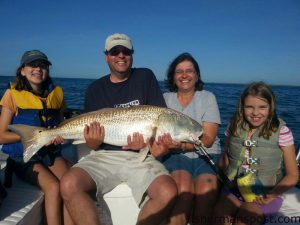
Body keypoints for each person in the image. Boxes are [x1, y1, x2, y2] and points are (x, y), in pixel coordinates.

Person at [60, 33, 178, 225]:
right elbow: (92, 143)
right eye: (115, 52)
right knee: (68, 183)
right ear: (106, 56)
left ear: (132, 54)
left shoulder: (145, 76)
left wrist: (152, 144)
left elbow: (159, 119)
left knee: (168, 191)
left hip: (140, 157)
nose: (121, 56)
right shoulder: (95, 89)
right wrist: (92, 142)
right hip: (104, 155)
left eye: (126, 51)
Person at [0, 50, 72, 225]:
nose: (38, 69)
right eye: (33, 65)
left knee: (71, 185)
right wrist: (33, 138)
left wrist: (57, 136)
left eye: (43, 65)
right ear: (23, 70)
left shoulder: (57, 94)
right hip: (24, 157)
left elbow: (61, 126)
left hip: (49, 152)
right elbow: (1, 136)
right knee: (53, 188)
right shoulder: (12, 94)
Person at [212, 82, 299, 225]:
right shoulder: (233, 125)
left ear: (271, 108)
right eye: (249, 107)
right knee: (219, 216)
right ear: (242, 107)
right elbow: (227, 158)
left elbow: (293, 175)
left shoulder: (282, 132)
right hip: (234, 189)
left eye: (262, 107)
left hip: (265, 194)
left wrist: (271, 195)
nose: (255, 112)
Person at [161, 52, 222, 225]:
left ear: (197, 75)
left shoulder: (208, 97)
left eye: (190, 70)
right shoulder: (164, 99)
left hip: (206, 154)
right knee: (183, 189)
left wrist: (180, 144)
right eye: (179, 71)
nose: (184, 75)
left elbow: (208, 139)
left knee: (206, 190)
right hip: (175, 155)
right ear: (173, 77)